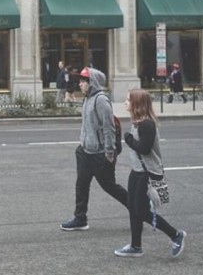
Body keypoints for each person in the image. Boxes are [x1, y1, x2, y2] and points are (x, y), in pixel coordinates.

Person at [114, 88, 186, 258]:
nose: (125, 103)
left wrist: (129, 140)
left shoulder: (147, 124)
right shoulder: (138, 122)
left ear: (137, 104)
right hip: (137, 171)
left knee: (142, 212)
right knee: (133, 208)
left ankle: (176, 235)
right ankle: (135, 246)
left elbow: (145, 149)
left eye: (128, 100)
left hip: (147, 174)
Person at [60, 67, 128, 231]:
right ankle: (80, 218)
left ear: (93, 83)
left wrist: (109, 153)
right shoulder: (87, 98)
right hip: (85, 152)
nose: (80, 83)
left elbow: (108, 128)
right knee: (81, 185)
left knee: (110, 187)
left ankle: (140, 206)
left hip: (99, 154)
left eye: (83, 81)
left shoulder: (101, 100)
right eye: (80, 80)